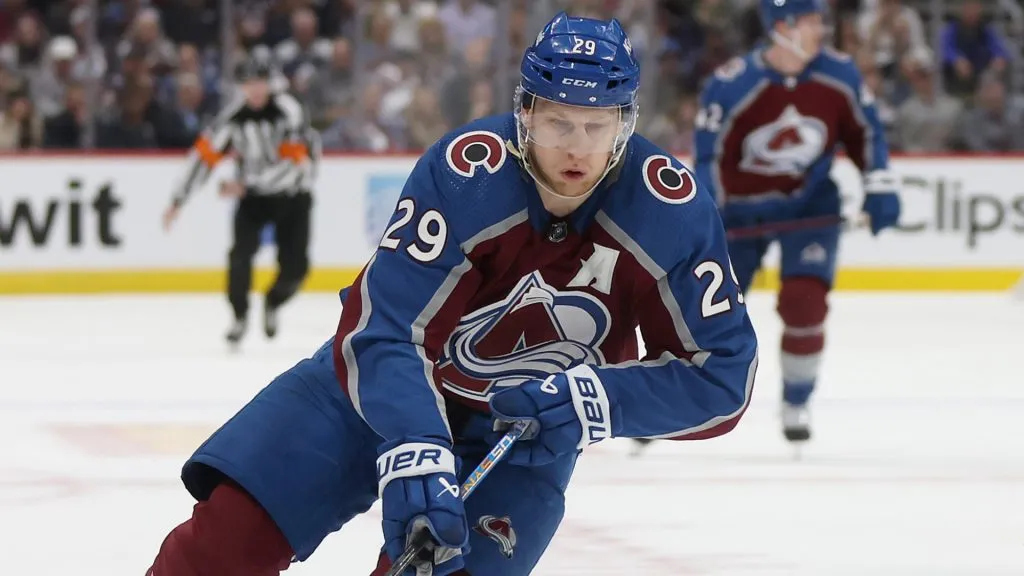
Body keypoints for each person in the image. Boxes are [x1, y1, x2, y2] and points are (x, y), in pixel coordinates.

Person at [145, 12, 759, 576]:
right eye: (557, 123)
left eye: (596, 126)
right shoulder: (466, 173)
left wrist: (595, 399)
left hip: (520, 440)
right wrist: (416, 439)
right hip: (375, 394)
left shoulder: (669, 211)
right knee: (219, 545)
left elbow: (725, 377)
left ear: (625, 124)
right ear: (524, 114)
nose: (576, 147)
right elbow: (384, 329)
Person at [694, 0, 900, 443]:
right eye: (810, 21)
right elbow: (709, 159)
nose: (820, 30)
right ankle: (676, 397)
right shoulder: (731, 85)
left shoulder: (838, 74)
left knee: (805, 302)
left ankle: (797, 400)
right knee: (711, 313)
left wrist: (879, 183)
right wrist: (706, 219)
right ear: (782, 27)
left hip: (810, 208)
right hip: (740, 215)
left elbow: (865, 132)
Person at [162, 52, 321, 346]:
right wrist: (177, 200)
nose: (255, 89)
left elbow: (295, 168)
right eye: (248, 83)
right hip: (254, 200)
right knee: (239, 255)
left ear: (270, 83)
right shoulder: (233, 119)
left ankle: (273, 301)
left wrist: (244, 184)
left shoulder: (291, 112)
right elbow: (203, 158)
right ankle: (239, 316)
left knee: (296, 267)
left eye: (259, 81)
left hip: (293, 197)